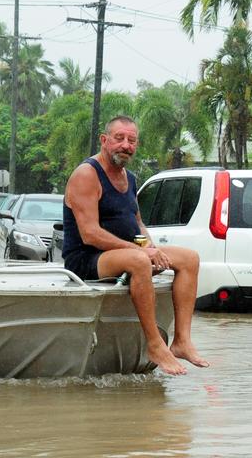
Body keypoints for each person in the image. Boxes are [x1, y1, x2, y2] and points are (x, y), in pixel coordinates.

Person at [62, 115, 208, 375]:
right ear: (104, 140)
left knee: (190, 259)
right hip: (88, 259)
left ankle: (182, 341)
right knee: (140, 261)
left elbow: (137, 223)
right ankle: (155, 344)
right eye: (119, 138)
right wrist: (141, 253)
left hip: (127, 253)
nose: (126, 145)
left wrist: (152, 247)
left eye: (132, 140)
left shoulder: (128, 177)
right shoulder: (87, 174)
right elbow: (90, 234)